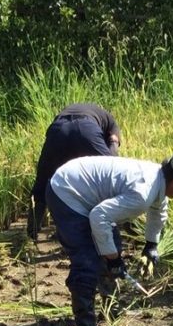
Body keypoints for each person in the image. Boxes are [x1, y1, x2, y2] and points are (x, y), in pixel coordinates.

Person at [47, 150, 173, 326]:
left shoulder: (158, 180)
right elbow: (99, 217)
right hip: (67, 191)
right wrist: (113, 258)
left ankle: (111, 308)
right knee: (87, 260)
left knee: (109, 244)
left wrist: (151, 245)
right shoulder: (143, 192)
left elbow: (159, 211)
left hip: (82, 187)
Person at [26, 103, 122, 240]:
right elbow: (113, 148)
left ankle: (32, 231)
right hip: (86, 129)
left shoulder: (92, 111)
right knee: (111, 173)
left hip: (58, 130)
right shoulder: (111, 123)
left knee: (43, 179)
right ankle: (117, 230)